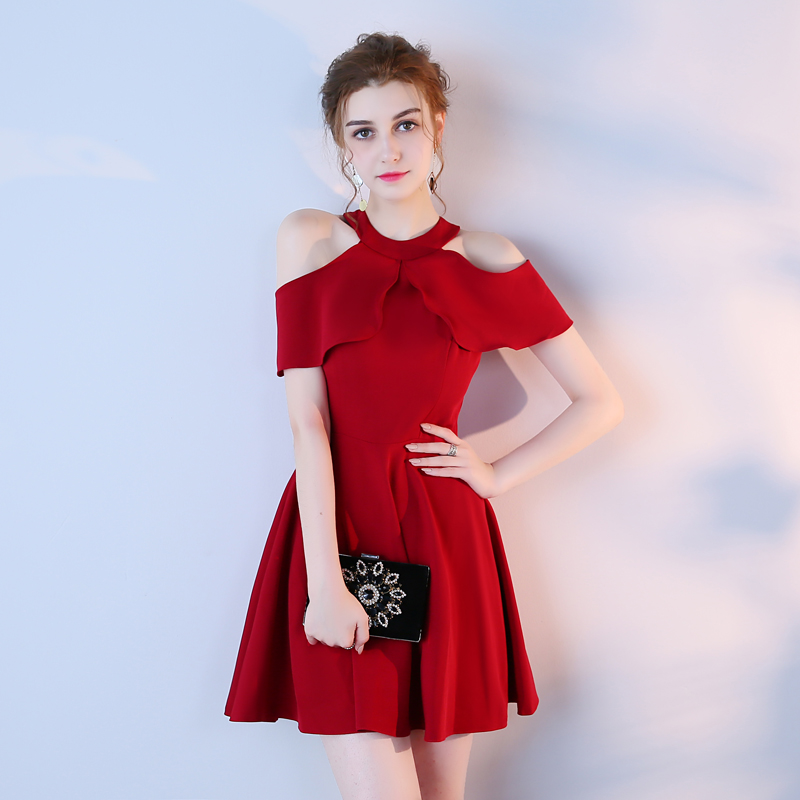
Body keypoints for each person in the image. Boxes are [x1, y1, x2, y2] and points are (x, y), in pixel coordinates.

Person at [225, 31, 624, 800]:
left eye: (405, 123)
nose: (387, 149)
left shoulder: (486, 259)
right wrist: (325, 583)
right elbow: (308, 424)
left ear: (438, 125)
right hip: (339, 534)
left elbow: (599, 400)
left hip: (446, 539)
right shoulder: (310, 240)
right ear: (342, 144)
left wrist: (496, 473)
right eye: (363, 131)